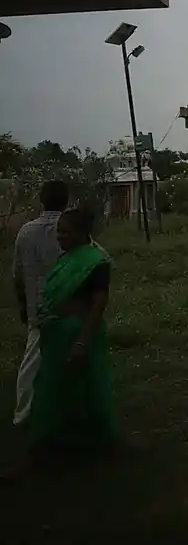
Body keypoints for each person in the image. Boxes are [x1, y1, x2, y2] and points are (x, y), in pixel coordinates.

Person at [29, 206, 118, 458]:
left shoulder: (96, 262)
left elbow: (98, 304)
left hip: (79, 333)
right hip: (57, 334)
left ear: (82, 233)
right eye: (58, 231)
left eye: (65, 232)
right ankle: (53, 443)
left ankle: (100, 443)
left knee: (89, 388)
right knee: (53, 389)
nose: (59, 237)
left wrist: (82, 341)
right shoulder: (64, 259)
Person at [13, 180, 69, 427]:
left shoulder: (26, 231)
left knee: (32, 363)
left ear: (41, 200)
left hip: (38, 307)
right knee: (70, 362)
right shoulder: (71, 231)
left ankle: (23, 414)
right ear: (66, 202)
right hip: (68, 308)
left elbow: (17, 275)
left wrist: (24, 305)